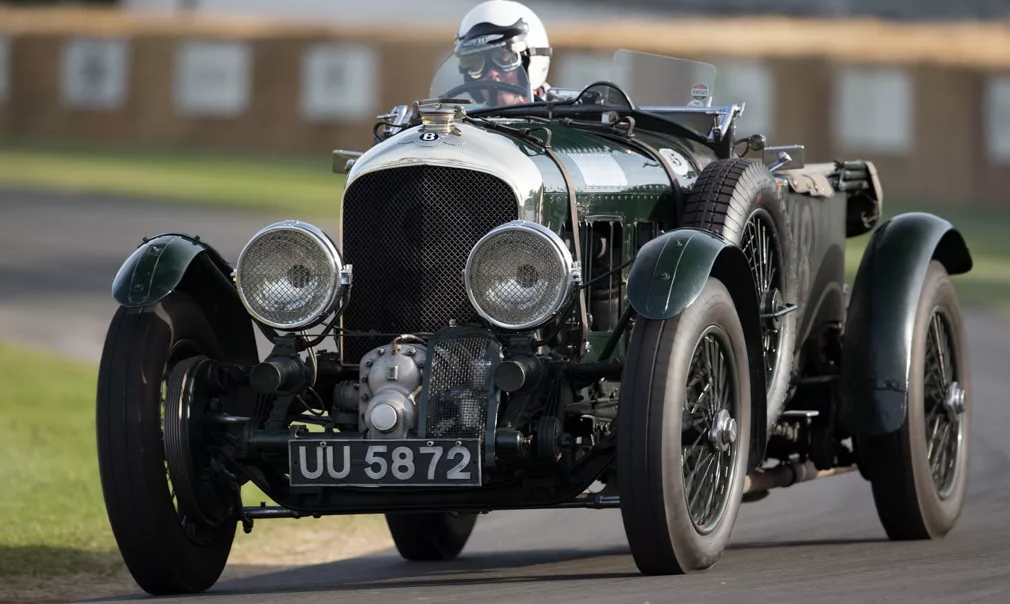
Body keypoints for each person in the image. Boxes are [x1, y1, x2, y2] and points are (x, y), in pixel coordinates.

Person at [453, 0, 553, 106]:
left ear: (531, 60)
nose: (492, 74)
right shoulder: (466, 119)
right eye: (475, 63)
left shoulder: (566, 117)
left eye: (504, 57)